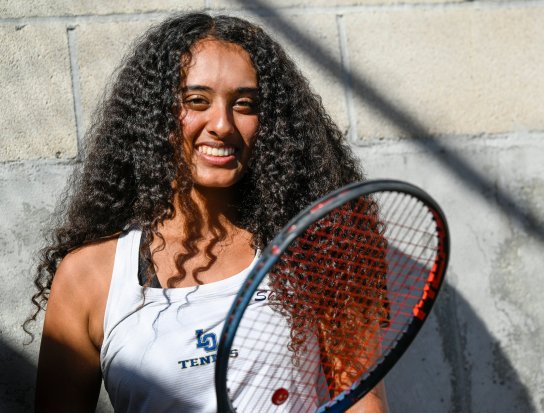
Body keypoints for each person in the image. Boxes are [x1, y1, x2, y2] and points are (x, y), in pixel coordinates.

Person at [30, 12, 389, 412]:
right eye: (196, 100)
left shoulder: (315, 250)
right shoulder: (88, 276)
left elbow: (363, 405)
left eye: (245, 104)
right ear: (153, 115)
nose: (222, 124)